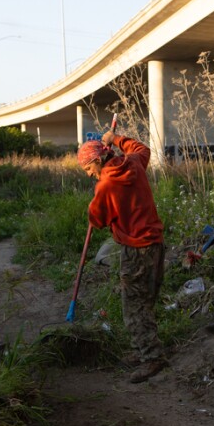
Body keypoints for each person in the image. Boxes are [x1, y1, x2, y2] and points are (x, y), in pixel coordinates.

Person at [77, 131, 166, 383]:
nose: (88, 173)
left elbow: (97, 219)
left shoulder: (106, 185)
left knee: (134, 307)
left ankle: (152, 358)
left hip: (136, 249)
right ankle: (144, 349)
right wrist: (116, 137)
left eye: (87, 167)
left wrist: (95, 203)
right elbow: (142, 148)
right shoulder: (134, 163)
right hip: (156, 244)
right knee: (145, 301)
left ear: (97, 161)